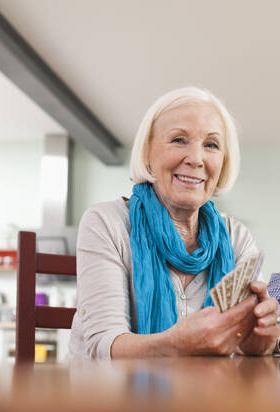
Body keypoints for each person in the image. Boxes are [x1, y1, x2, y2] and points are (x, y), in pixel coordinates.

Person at [68, 87, 279, 361]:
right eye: (179, 140)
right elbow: (103, 347)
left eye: (211, 145)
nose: (196, 158)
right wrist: (176, 343)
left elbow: (251, 349)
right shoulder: (106, 223)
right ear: (147, 154)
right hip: (109, 398)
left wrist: (258, 341)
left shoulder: (236, 237)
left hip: (203, 399)